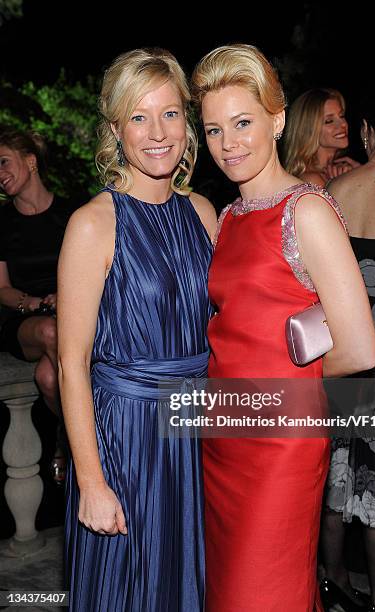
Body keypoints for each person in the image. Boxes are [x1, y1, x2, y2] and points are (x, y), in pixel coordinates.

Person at [191, 44, 375, 611]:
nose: (229, 144)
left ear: (276, 118)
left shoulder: (308, 211)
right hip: (222, 437)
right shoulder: (229, 217)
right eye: (215, 129)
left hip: (279, 445)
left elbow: (361, 349)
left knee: (262, 592)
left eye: (243, 123)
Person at [58, 48, 217, 612]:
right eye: (139, 116)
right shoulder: (92, 224)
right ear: (115, 127)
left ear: (187, 124)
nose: (157, 132)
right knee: (130, 589)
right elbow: (70, 363)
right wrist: (92, 483)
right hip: (126, 440)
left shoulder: (202, 212)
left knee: (191, 582)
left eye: (171, 113)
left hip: (197, 435)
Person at [320, 75, 375, 612]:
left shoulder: (333, 195)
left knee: (333, 476)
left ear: (368, 131)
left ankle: (333, 583)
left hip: (341, 353)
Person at [0, 127, 78, 484]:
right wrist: (28, 302)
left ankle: (63, 439)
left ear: (30, 162)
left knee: (48, 377)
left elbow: (93, 272)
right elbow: (1, 289)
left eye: (3, 162)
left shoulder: (71, 213)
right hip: (24, 320)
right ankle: (81, 443)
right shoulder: (2, 222)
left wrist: (67, 295)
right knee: (50, 330)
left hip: (69, 311)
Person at [283, 87, 360, 187]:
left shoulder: (340, 170)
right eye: (329, 121)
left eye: (341, 116)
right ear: (309, 130)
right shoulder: (311, 180)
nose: (343, 124)